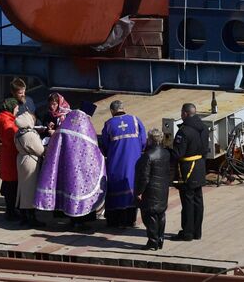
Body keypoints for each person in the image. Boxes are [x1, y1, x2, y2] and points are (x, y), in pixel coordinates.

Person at [34, 94, 106, 231]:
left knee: (69, 191)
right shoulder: (85, 125)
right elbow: (92, 147)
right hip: (82, 169)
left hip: (67, 165)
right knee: (79, 193)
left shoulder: (69, 121)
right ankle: (79, 222)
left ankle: (72, 220)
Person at [99, 100, 145, 228]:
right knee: (132, 189)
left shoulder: (109, 124)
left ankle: (116, 221)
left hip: (116, 164)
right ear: (123, 108)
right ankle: (131, 220)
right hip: (134, 163)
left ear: (112, 111)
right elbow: (144, 141)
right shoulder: (136, 120)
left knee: (116, 190)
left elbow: (105, 145)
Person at [172, 102, 209, 241]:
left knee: (187, 201)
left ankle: (187, 232)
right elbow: (205, 149)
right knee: (198, 200)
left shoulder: (184, 131)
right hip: (200, 166)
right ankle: (197, 232)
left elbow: (178, 153)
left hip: (188, 168)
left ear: (185, 114)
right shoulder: (204, 128)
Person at [134, 128, 172, 251]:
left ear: (150, 140)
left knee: (149, 216)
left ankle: (152, 241)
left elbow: (144, 177)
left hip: (150, 190)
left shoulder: (148, 156)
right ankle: (160, 239)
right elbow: (170, 171)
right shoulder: (166, 153)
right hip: (162, 189)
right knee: (161, 214)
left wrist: (139, 191)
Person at [14, 110, 45, 226]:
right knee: (30, 190)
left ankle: (23, 216)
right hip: (30, 162)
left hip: (21, 159)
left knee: (22, 188)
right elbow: (40, 150)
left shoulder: (18, 133)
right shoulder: (29, 134)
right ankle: (31, 218)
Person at [0, 98, 21, 222]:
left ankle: (10, 210)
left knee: (8, 184)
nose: (18, 110)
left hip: (6, 155)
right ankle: (10, 212)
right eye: (16, 108)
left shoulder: (2, 119)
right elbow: (15, 139)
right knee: (12, 186)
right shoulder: (8, 123)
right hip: (11, 156)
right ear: (11, 108)